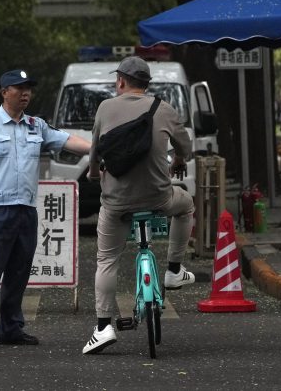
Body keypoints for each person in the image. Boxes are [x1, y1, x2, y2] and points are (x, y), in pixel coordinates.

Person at [0, 69, 91, 350]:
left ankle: (11, 328)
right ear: (4, 92)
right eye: (19, 88)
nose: (25, 93)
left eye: (28, 89)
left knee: (18, 272)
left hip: (26, 210)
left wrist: (99, 149)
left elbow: (68, 141)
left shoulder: (36, 125)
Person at [82, 56, 196, 355]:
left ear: (121, 81)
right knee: (186, 205)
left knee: (106, 259)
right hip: (159, 198)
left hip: (116, 203)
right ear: (147, 84)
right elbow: (185, 147)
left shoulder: (106, 108)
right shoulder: (164, 108)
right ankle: (173, 269)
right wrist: (180, 160)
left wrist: (95, 174)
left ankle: (104, 327)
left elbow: (95, 149)